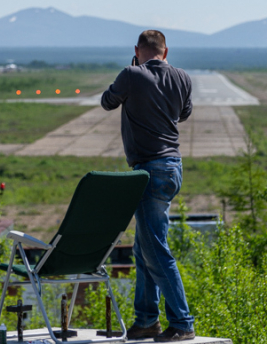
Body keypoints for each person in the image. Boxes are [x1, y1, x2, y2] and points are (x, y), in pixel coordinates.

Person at [100, 30, 195, 342]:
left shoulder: (131, 74)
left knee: (155, 249)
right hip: (173, 168)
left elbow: (107, 102)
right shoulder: (182, 77)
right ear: (166, 52)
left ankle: (182, 322)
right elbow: (184, 113)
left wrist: (133, 73)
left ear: (137, 51)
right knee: (144, 248)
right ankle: (146, 321)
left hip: (149, 170)